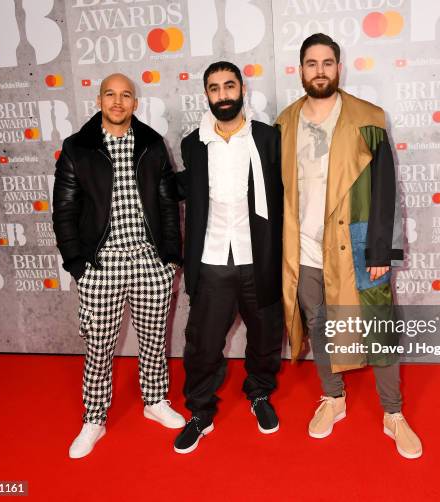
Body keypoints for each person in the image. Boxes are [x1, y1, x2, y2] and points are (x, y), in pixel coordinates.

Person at [275, 34, 422, 459]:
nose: (319, 70)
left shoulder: (367, 118)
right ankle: (333, 398)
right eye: (311, 63)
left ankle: (393, 414)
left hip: (357, 247)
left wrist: (382, 252)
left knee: (379, 331)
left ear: (339, 68)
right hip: (303, 250)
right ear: (300, 70)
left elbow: (385, 191)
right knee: (322, 325)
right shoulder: (284, 124)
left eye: (327, 62)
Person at [53, 73, 184, 459]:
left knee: (153, 341)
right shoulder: (78, 148)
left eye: (126, 95)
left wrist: (170, 258)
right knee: (99, 347)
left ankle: (154, 401)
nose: (118, 101)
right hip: (101, 265)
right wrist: (79, 265)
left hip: (149, 262)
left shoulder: (151, 144)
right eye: (110, 94)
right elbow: (64, 211)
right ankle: (94, 419)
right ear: (98, 100)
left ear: (134, 103)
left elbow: (166, 206)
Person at [174, 61, 284, 454]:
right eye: (215, 88)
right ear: (207, 94)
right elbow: (185, 190)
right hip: (212, 257)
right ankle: (200, 412)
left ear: (242, 90)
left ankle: (258, 393)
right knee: (202, 344)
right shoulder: (193, 143)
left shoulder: (270, 139)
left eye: (229, 86)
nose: (223, 94)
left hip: (260, 257)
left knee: (267, 337)